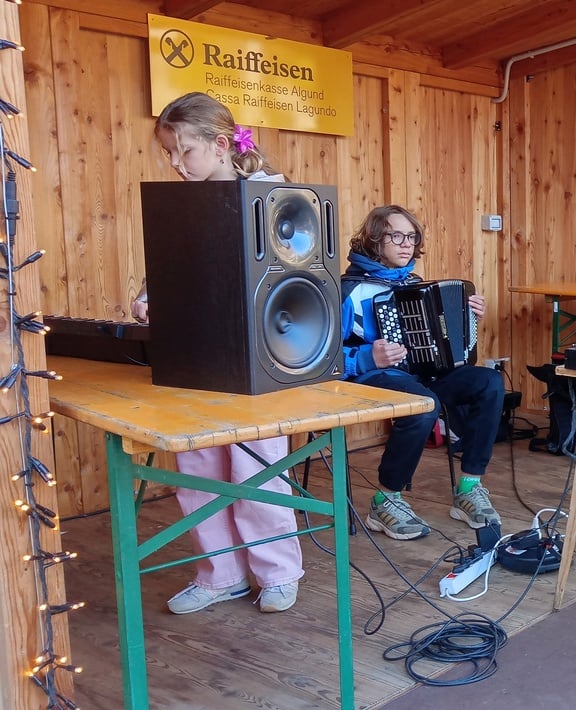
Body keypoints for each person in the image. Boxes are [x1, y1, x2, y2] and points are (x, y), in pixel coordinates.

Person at [130, 92, 303, 614]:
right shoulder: (180, 205)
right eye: (168, 154)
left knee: (257, 470)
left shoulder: (274, 199)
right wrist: (147, 299)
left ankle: (275, 573)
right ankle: (221, 572)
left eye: (185, 152)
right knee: (197, 471)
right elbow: (170, 272)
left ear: (221, 144)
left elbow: (294, 281)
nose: (176, 164)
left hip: (255, 364)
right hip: (195, 363)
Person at [340, 205, 505, 539]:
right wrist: (366, 357)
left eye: (412, 237)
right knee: (423, 405)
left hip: (424, 376)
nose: (406, 244)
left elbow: (449, 343)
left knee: (488, 382)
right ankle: (386, 499)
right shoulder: (348, 291)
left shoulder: (414, 284)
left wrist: (468, 317)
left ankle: (469, 487)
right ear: (375, 240)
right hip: (370, 380)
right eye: (396, 236)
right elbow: (320, 357)